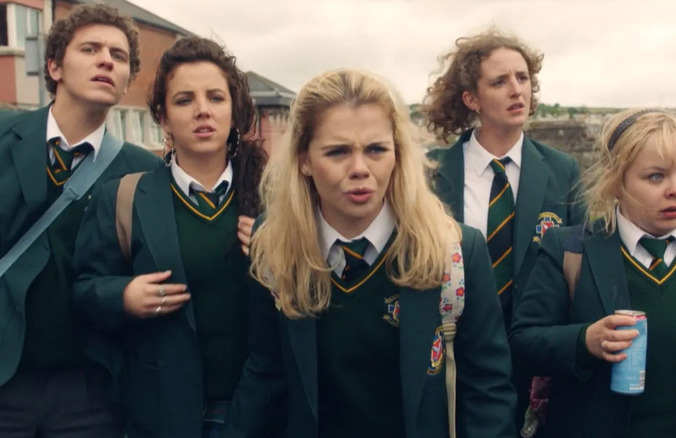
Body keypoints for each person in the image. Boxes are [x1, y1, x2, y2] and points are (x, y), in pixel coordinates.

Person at [224, 68, 516, 438]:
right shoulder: (274, 247)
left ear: (398, 153)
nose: (360, 169)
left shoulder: (454, 252)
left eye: (376, 149)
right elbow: (265, 374)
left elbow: (487, 390)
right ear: (304, 160)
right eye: (338, 152)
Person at [508, 109, 676, 438]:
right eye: (656, 176)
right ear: (616, 182)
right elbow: (523, 342)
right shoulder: (568, 248)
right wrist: (584, 341)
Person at [71, 36, 264, 438]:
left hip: (259, 412)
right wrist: (121, 297)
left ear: (235, 109)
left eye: (215, 97)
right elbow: (83, 290)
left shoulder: (273, 201)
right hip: (160, 415)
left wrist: (278, 257)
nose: (202, 111)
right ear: (163, 117)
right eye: (184, 100)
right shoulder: (124, 197)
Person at [0, 4, 159, 437]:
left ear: (127, 80)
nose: (106, 60)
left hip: (88, 390)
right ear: (54, 66)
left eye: (119, 56)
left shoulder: (142, 172)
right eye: (90, 49)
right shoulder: (3, 135)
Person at [422, 26, 585, 434]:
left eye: (523, 77)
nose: (517, 90)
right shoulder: (430, 171)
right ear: (471, 99)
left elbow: (580, 269)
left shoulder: (563, 172)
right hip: (451, 354)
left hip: (533, 362)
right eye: (500, 81)